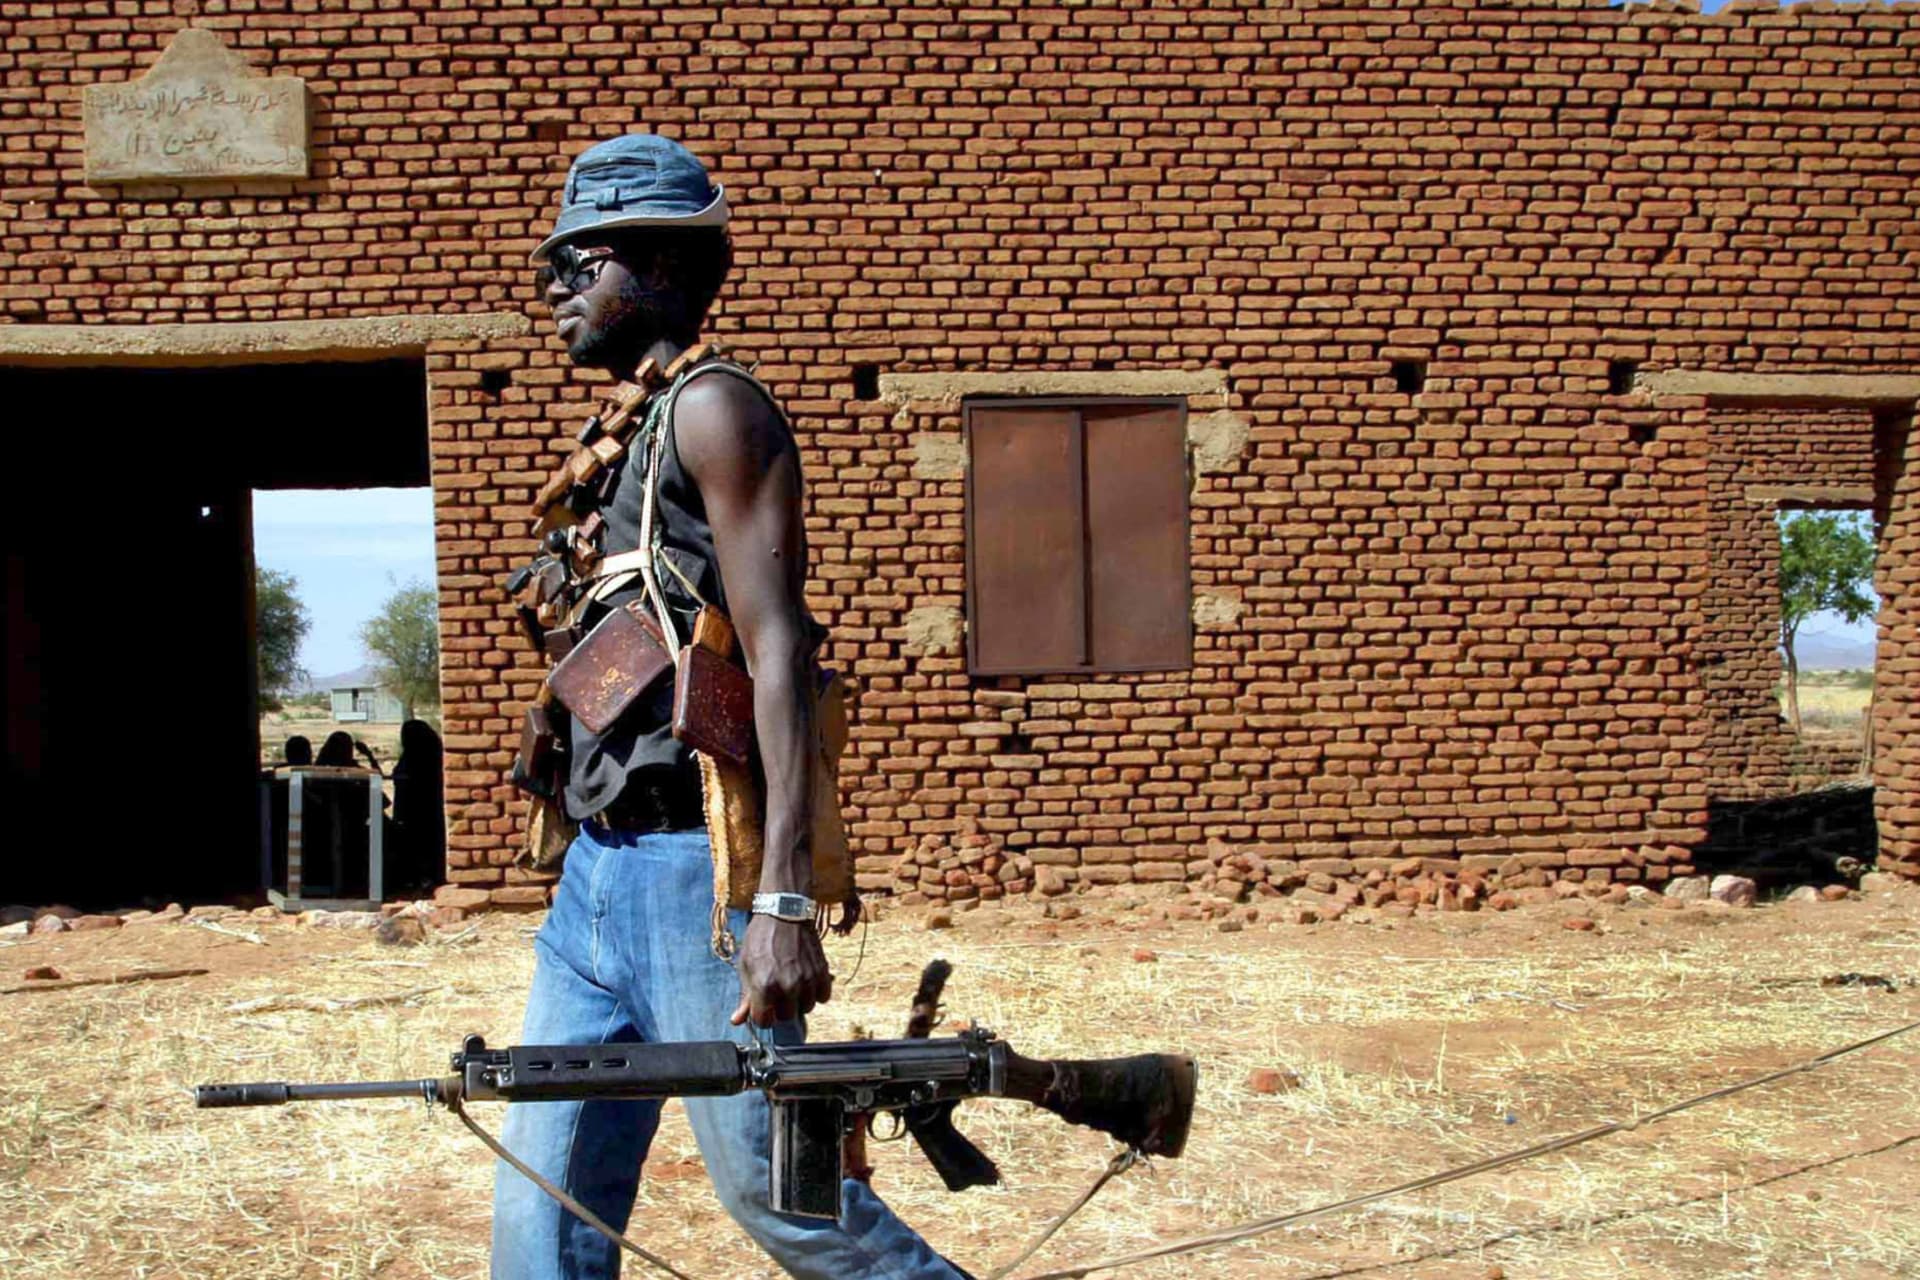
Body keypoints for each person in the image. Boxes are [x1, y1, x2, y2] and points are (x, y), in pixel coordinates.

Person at [491, 133, 970, 1280]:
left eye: (582, 261)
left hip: (693, 883)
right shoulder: (623, 438)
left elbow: (783, 653)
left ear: (657, 266)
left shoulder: (716, 410)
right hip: (595, 884)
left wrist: (782, 898)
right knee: (540, 1214)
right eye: (554, 265)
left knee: (787, 1203)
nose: (556, 286)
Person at [390, 719, 444, 894]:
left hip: (416, 812)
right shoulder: (430, 756)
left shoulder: (417, 758)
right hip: (426, 811)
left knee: (418, 846)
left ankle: (422, 880)